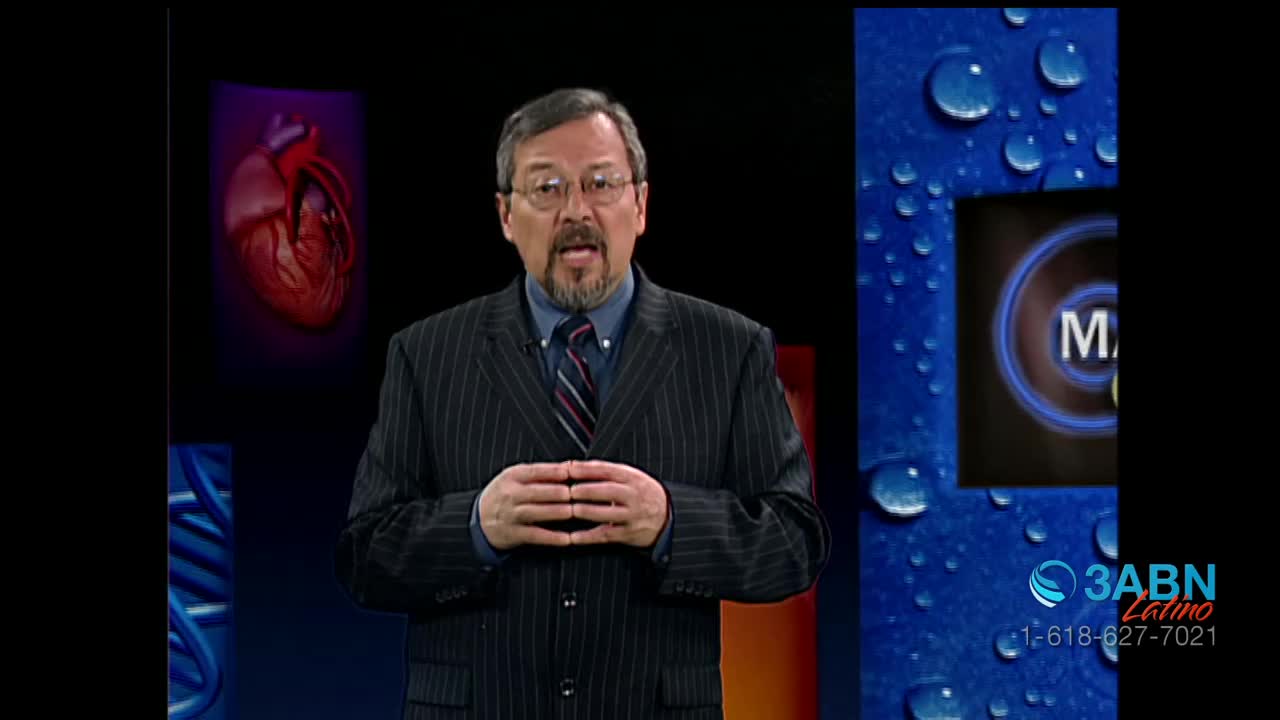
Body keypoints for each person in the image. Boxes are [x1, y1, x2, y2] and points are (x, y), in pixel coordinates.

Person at [335, 87, 830, 720]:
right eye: (547, 189)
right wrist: (475, 527)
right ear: (506, 216)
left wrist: (671, 521)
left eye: (601, 183)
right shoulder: (426, 353)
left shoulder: (730, 349)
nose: (578, 211)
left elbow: (794, 544)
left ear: (641, 203)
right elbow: (364, 555)